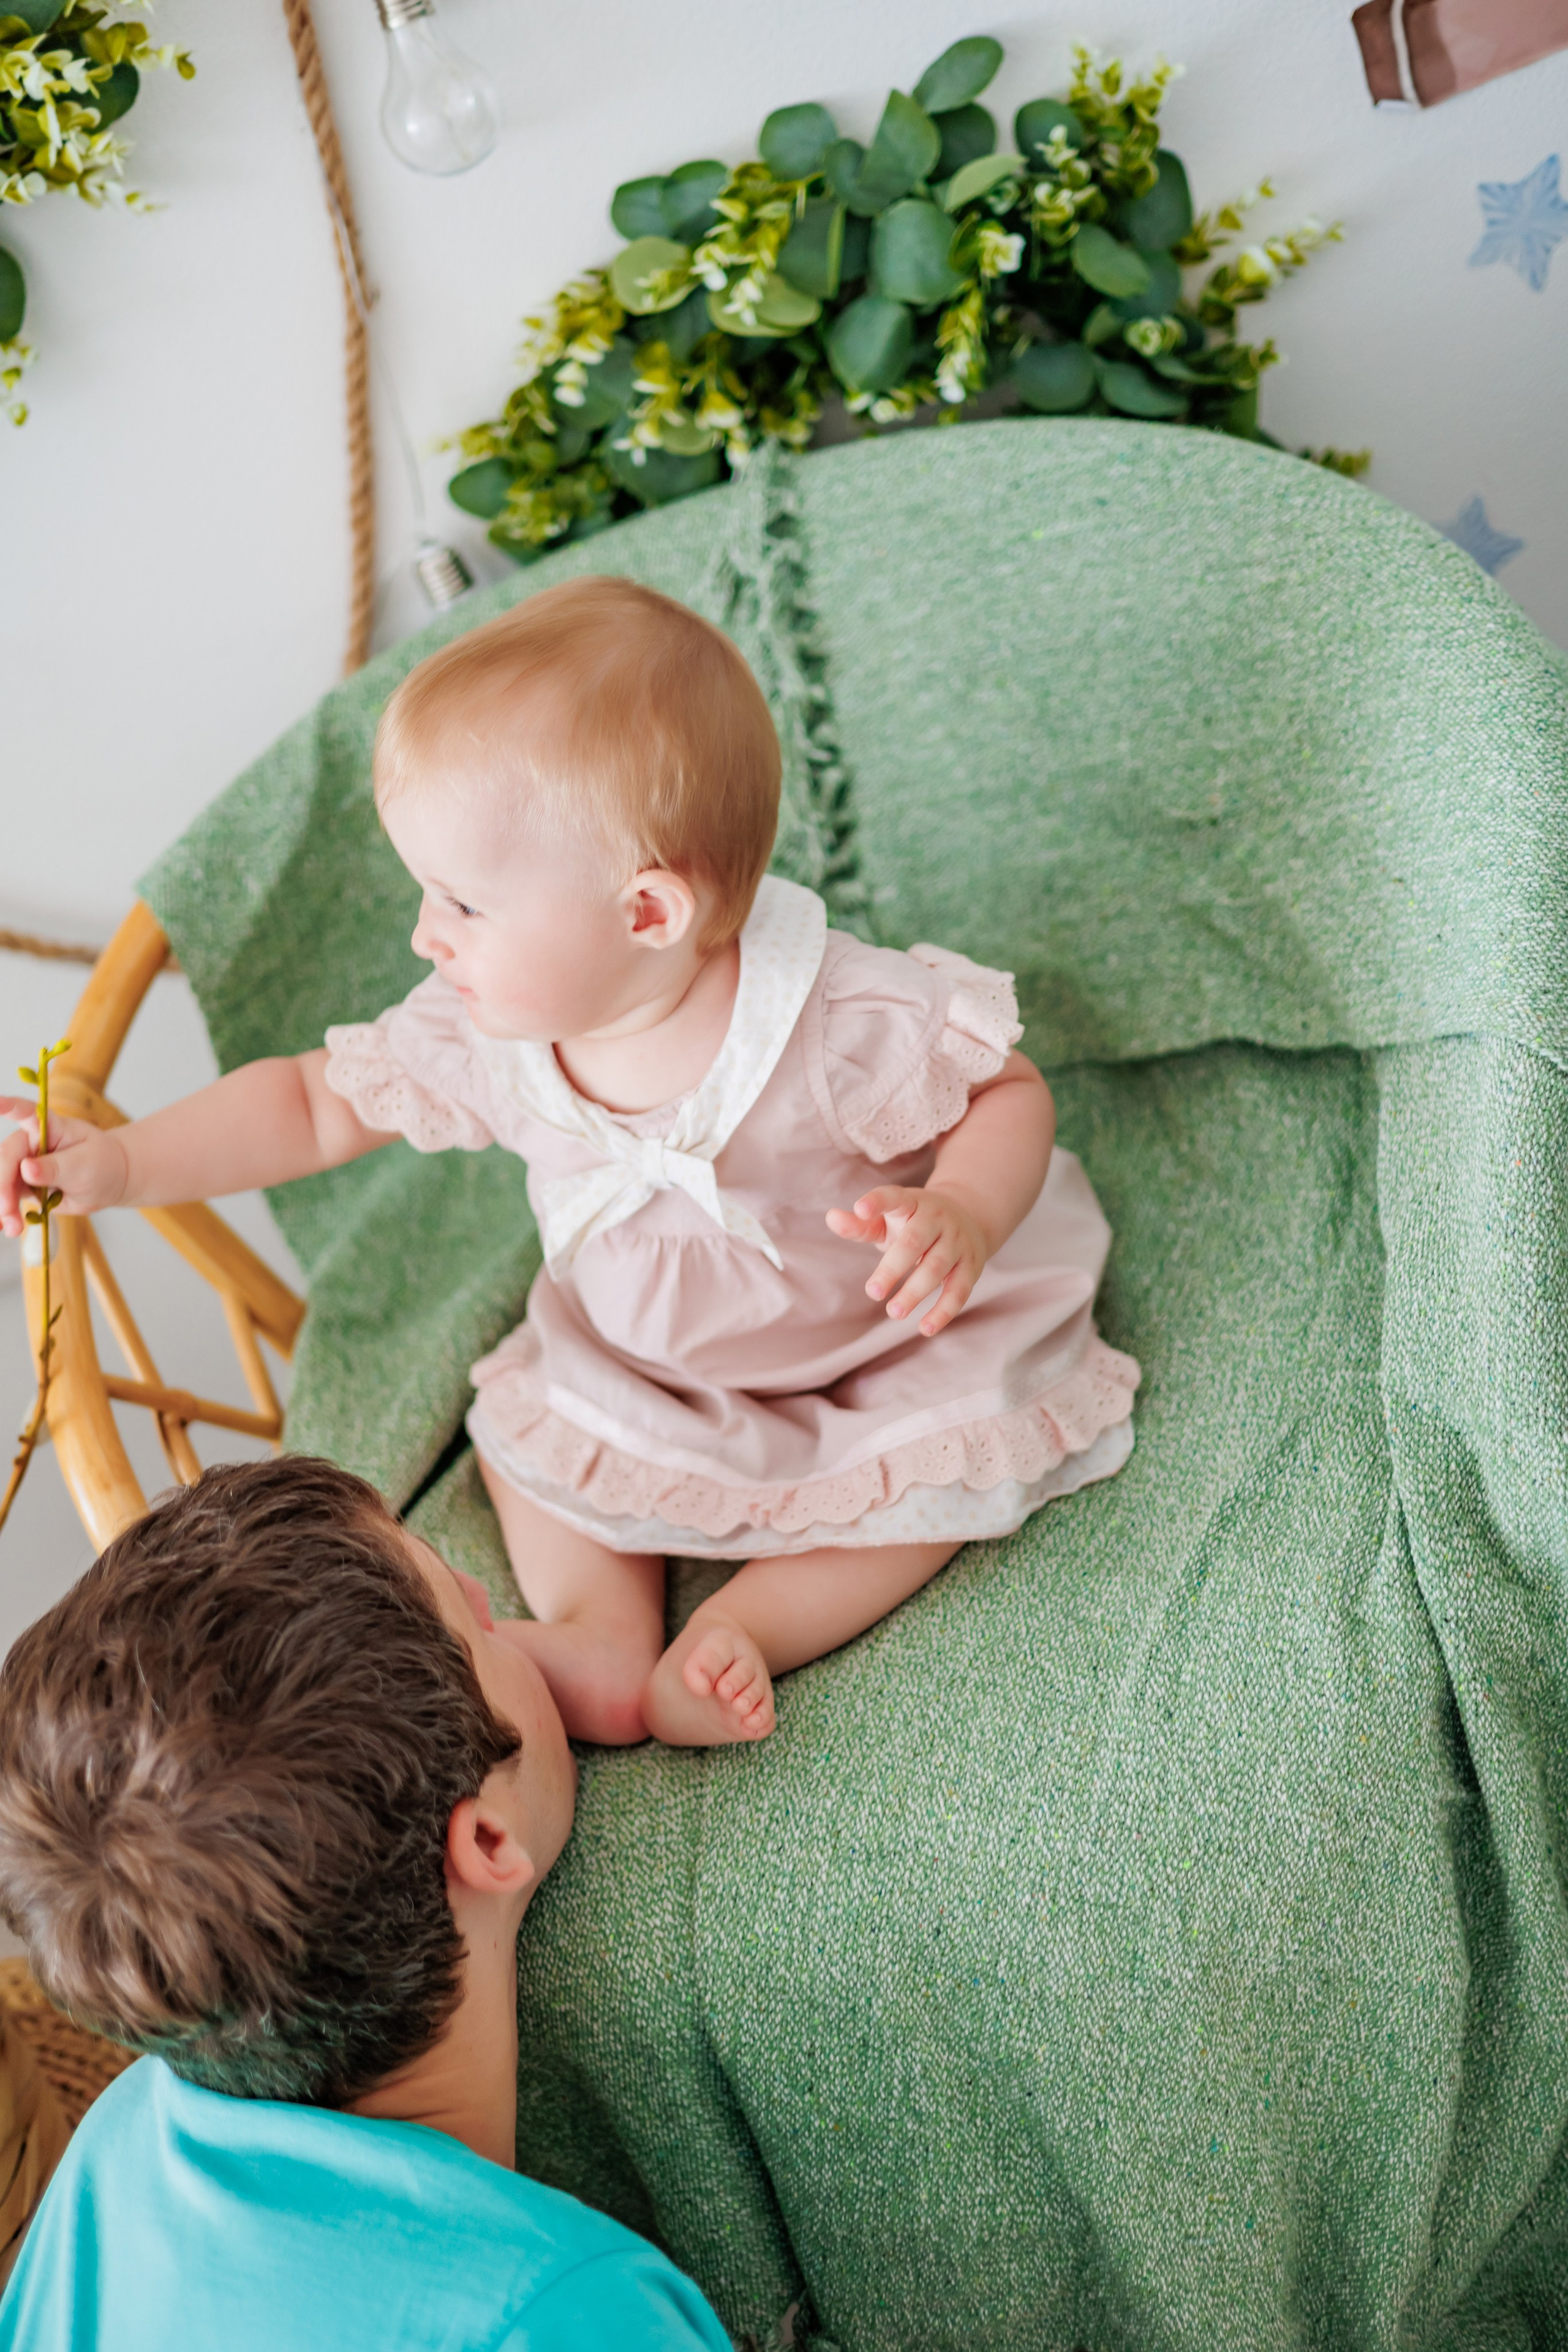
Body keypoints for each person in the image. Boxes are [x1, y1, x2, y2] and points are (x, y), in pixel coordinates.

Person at [0, 578, 1140, 1749]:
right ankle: (602, 1637)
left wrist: (962, 1207)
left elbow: (1005, 1088)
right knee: (539, 1440)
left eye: (462, 902)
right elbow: (306, 1103)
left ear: (646, 914)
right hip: (637, 1361)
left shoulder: (833, 1017)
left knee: (936, 1470)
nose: (423, 936)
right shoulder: (487, 1031)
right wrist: (122, 1162)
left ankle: (749, 1629)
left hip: (875, 1336)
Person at [0, 1457, 731, 2351]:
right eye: (474, 1624)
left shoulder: (109, 2157)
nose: (479, 1585)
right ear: (488, 1842)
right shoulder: (567, 2313)